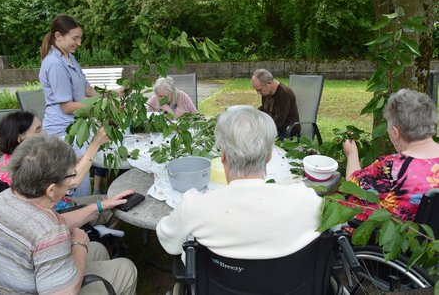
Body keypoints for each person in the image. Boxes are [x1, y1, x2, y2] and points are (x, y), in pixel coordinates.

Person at [0, 135, 137, 294]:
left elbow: (55, 224)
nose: (72, 180)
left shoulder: (4, 198)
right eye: (71, 175)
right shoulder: (49, 231)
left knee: (96, 249)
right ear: (51, 190)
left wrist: (100, 206)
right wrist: (79, 246)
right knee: (126, 269)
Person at [156, 105, 321, 259]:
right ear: (269, 156)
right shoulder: (307, 200)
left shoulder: (193, 207)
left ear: (223, 156)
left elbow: (169, 242)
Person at [39, 14, 123, 196]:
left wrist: (111, 94)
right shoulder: (54, 64)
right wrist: (103, 105)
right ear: (58, 36)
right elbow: (67, 106)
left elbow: (87, 89)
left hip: (77, 125)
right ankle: (80, 217)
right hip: (63, 132)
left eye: (80, 38)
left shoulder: (69, 57)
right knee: (76, 182)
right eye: (75, 38)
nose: (79, 43)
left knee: (83, 172)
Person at [0, 111, 116, 228]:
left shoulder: (8, 160)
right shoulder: (31, 162)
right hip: (58, 216)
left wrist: (71, 164)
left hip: (39, 215)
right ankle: (104, 243)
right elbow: (73, 181)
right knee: (115, 206)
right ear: (20, 138)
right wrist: (95, 144)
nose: (44, 133)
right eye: (38, 130)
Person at [343, 89, 439, 222]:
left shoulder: (392, 167)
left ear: (395, 132)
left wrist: (352, 154)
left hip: (398, 240)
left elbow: (353, 185)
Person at [251, 68, 300, 139]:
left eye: (259, 89)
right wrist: (253, 113)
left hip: (287, 132)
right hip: (274, 128)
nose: (258, 93)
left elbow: (278, 123)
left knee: (253, 138)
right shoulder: (267, 92)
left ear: (269, 83)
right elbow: (264, 108)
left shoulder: (284, 94)